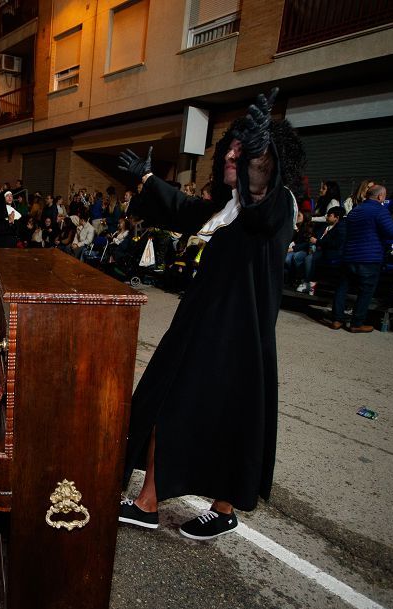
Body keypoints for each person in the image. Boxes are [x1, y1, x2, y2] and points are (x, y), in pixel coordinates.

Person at [117, 88, 306, 540]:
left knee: (191, 409)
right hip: (201, 326)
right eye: (231, 148)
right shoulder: (227, 207)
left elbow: (260, 196)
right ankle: (201, 505)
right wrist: (145, 181)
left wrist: (259, 155)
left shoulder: (275, 206)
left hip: (236, 337)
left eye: (245, 151)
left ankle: (164, 504)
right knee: (185, 408)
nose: (233, 155)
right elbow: (182, 208)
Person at [327, 184, 393, 331]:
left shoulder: (356, 210)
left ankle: (337, 320)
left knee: (342, 287)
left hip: (349, 255)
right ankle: (356, 323)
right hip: (369, 257)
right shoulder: (380, 211)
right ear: (380, 197)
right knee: (366, 291)